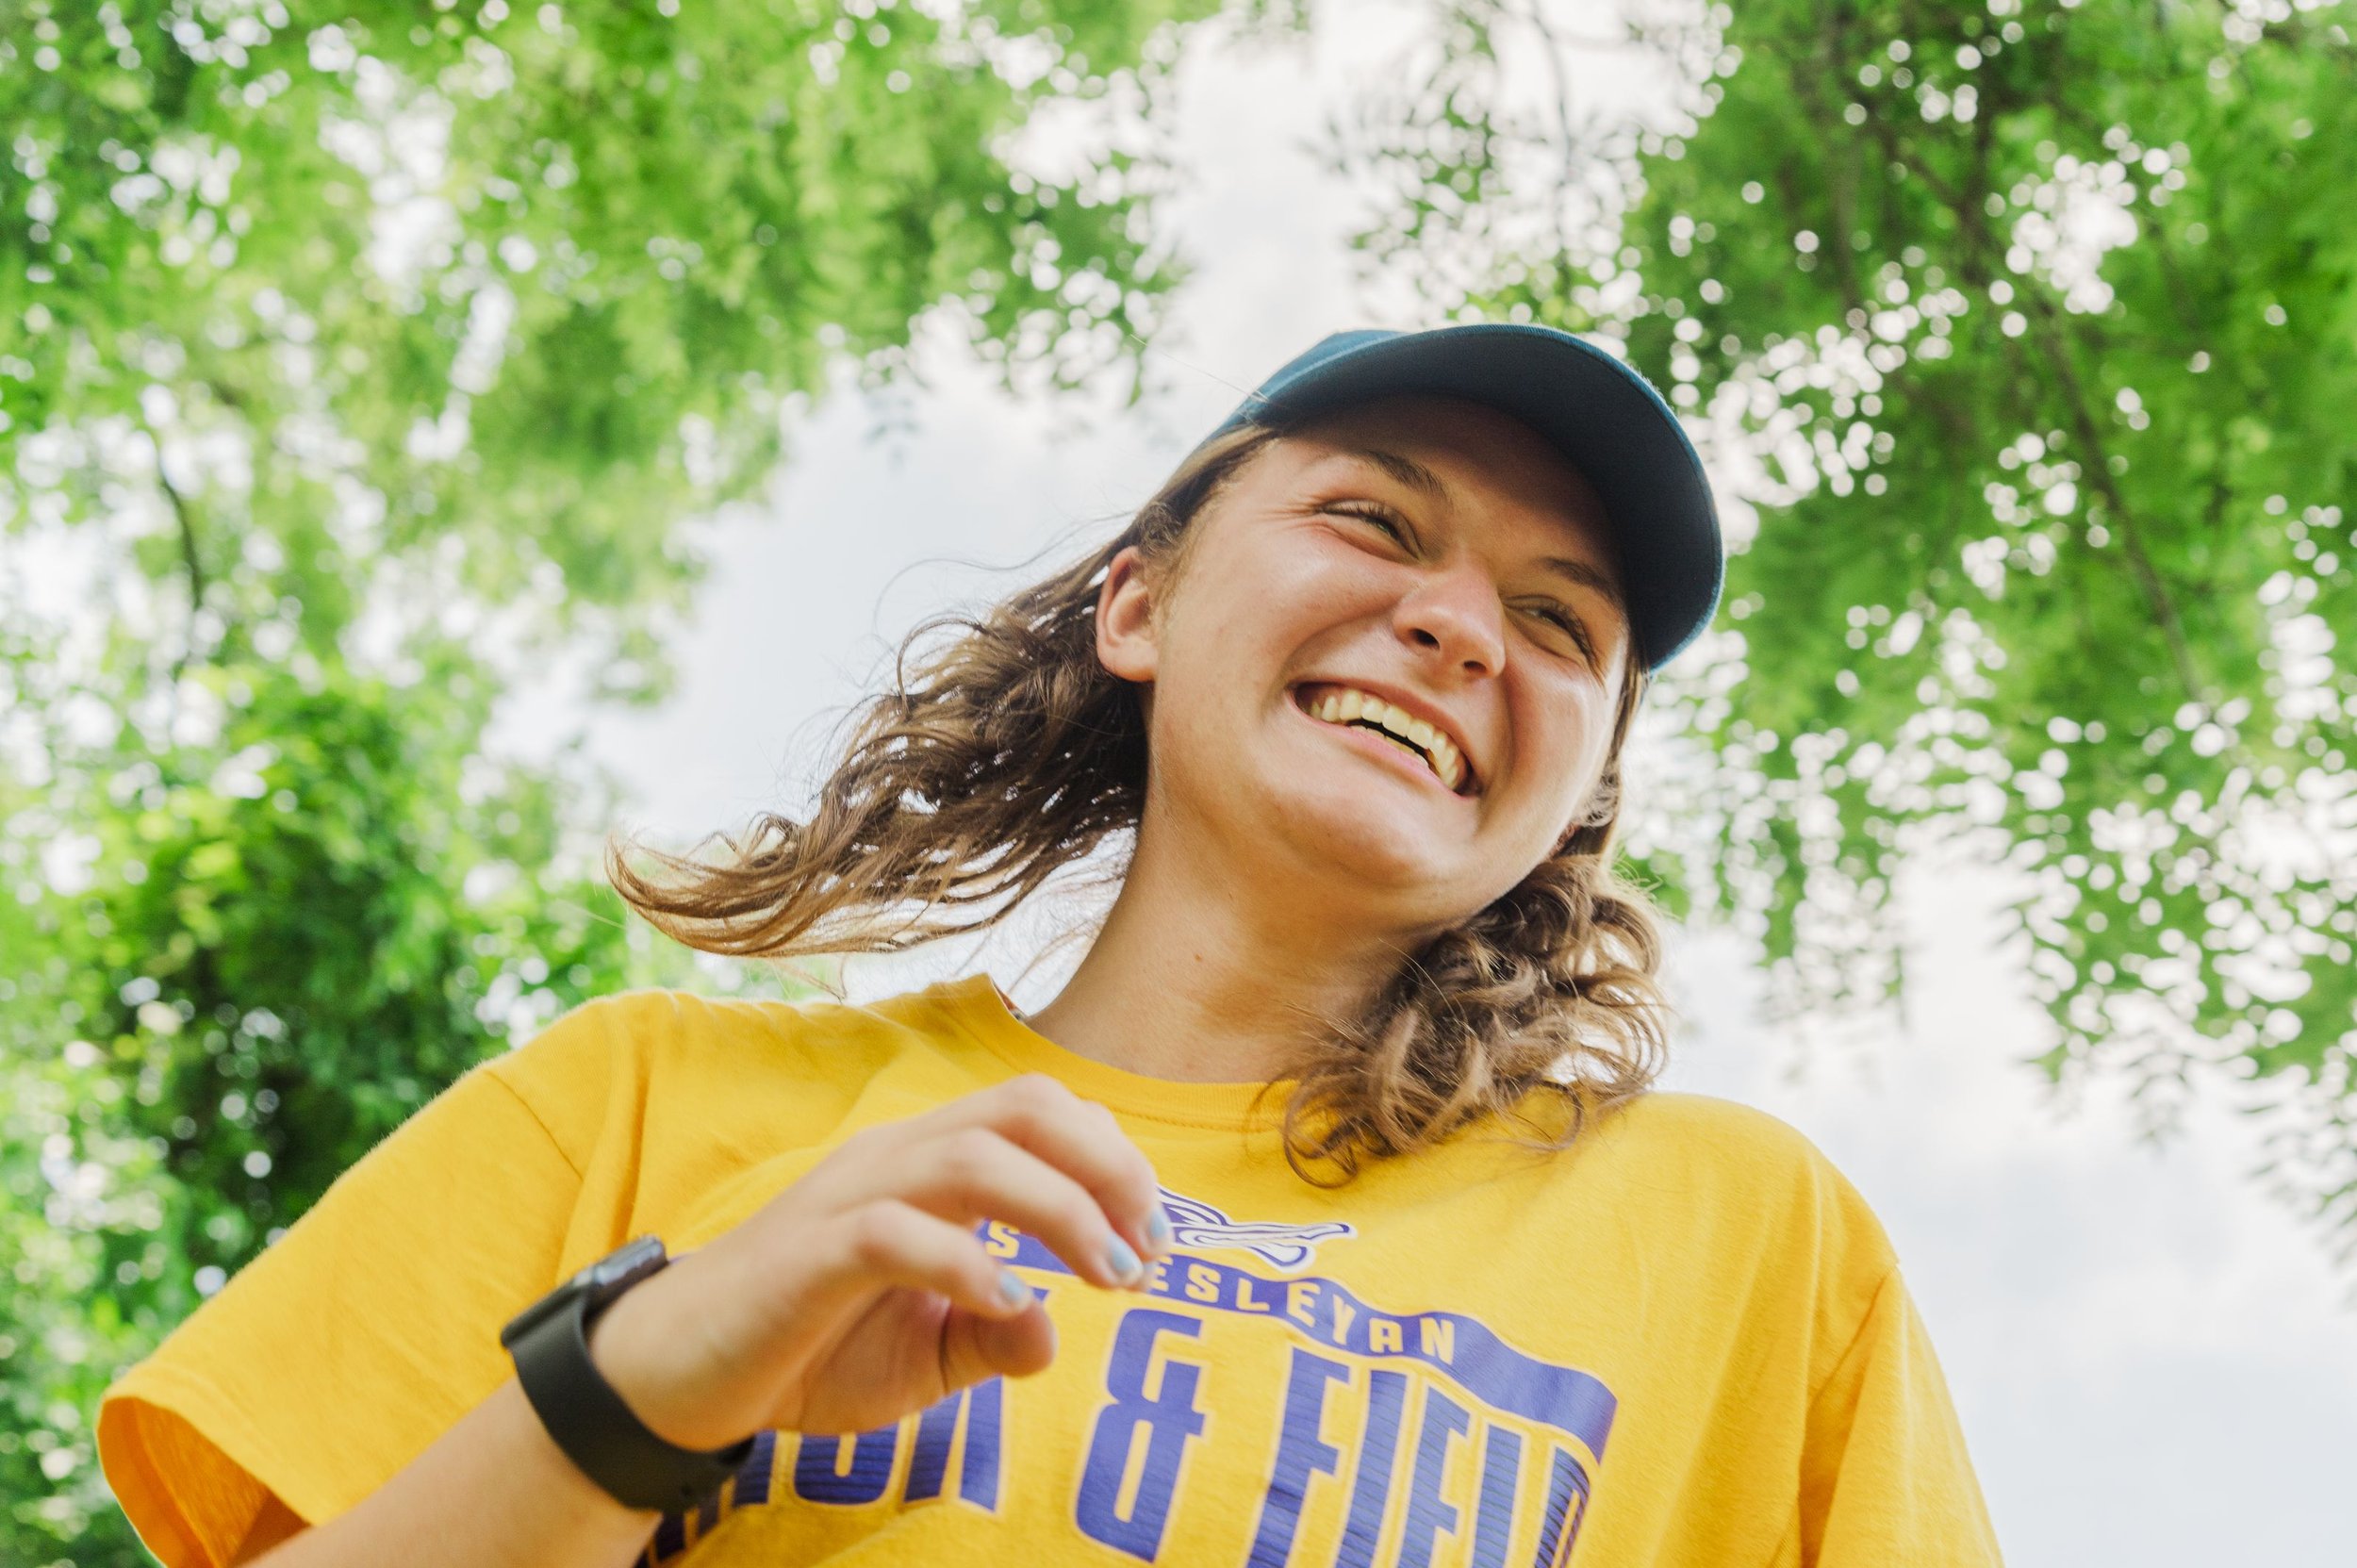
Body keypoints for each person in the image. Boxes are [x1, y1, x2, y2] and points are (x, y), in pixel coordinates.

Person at [96, 323, 2003, 1567]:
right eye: (1372, 521)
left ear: (1572, 795)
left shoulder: (1750, 1249)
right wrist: (650, 1381)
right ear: (1137, 606)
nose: (1457, 629)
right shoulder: (637, 1107)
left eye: (1559, 622)